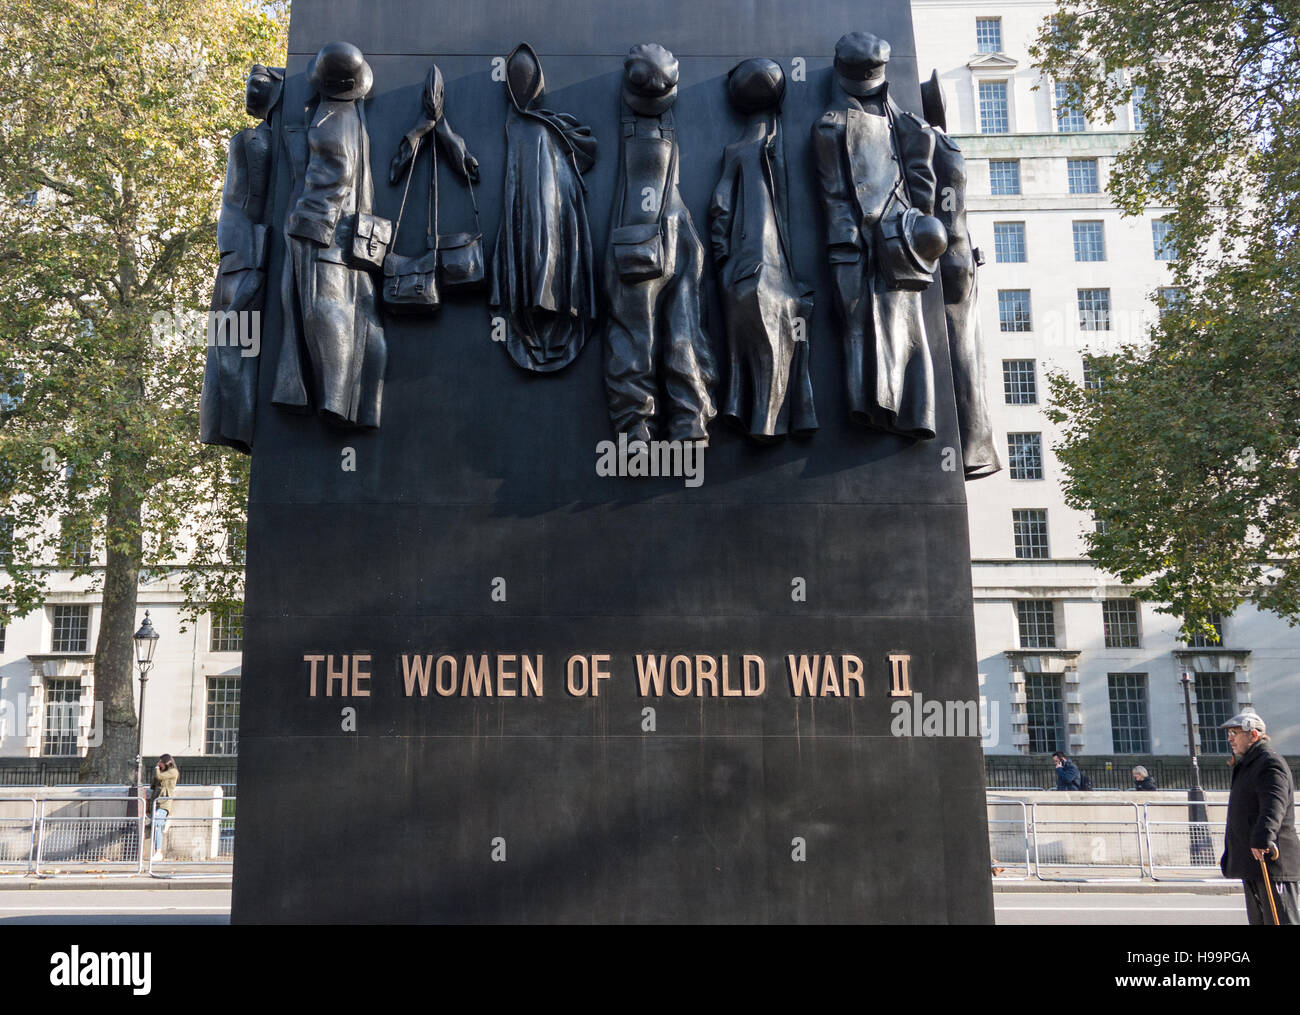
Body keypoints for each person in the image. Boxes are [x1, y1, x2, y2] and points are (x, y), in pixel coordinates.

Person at [1219, 711, 1300, 924]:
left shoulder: (1269, 763)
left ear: (1253, 735)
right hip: (1254, 861)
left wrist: (1264, 838)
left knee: (1280, 920)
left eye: (1235, 733)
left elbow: (1274, 804)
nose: (1230, 739)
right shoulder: (1249, 764)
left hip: (1272, 861)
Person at [150, 754, 179, 863]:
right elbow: (153, 785)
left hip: (165, 803)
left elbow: (159, 777)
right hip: (156, 801)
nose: (159, 764)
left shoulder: (173, 772)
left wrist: (157, 769)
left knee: (157, 824)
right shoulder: (162, 773)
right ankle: (166, 820)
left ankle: (158, 852)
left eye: (160, 762)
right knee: (155, 824)